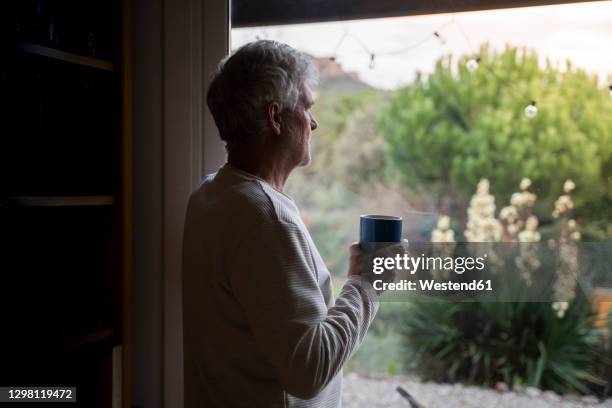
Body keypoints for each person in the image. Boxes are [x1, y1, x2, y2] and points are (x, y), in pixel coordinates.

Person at [182, 40, 396, 407]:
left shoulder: (209, 194)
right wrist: (365, 284)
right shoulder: (266, 218)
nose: (313, 122)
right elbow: (307, 371)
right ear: (275, 117)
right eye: (307, 106)